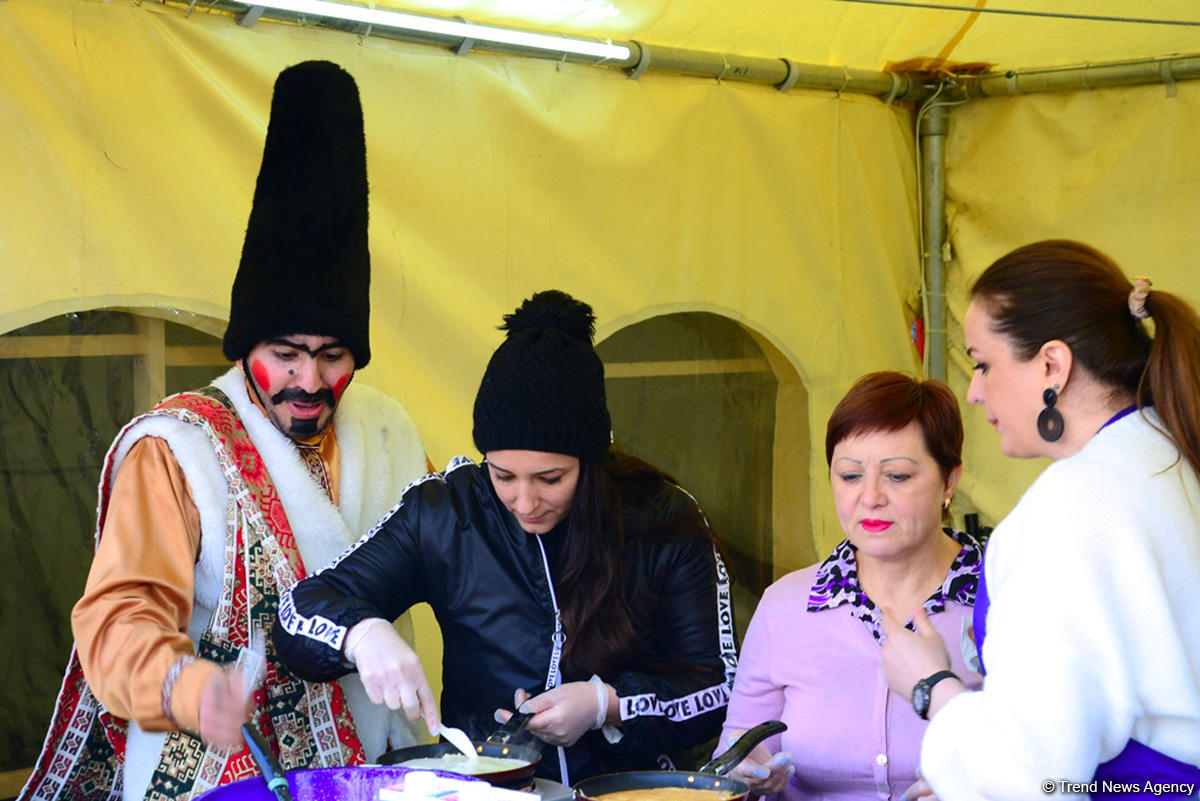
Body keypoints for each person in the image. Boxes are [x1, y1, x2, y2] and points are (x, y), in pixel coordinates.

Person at [20, 61, 430, 801]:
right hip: (215, 774)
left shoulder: (393, 434)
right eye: (285, 355)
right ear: (243, 347)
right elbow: (119, 617)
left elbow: (461, 552)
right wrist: (184, 681)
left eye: (333, 357)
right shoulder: (178, 448)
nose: (309, 382)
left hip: (359, 773)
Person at [273, 289, 737, 786]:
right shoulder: (448, 510)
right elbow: (298, 612)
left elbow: (722, 689)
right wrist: (359, 633)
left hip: (628, 792)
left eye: (551, 478)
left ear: (592, 459)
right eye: (503, 475)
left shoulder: (664, 518)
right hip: (486, 788)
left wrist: (609, 704)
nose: (524, 501)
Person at [881, 240, 1200, 800]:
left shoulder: (1069, 511)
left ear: (1052, 364)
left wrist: (934, 688)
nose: (974, 393)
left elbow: (1032, 781)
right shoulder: (1176, 459)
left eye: (982, 364)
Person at [717, 371, 985, 801]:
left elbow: (1056, 765)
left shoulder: (1005, 598)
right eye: (849, 475)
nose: (871, 496)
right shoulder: (786, 606)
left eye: (897, 476)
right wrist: (744, 778)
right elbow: (737, 750)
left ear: (950, 480)